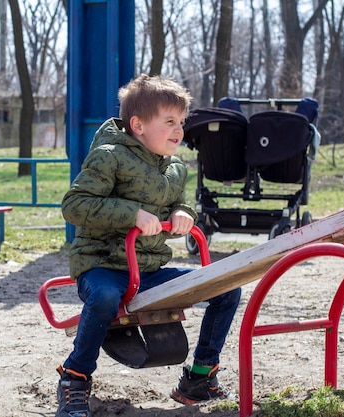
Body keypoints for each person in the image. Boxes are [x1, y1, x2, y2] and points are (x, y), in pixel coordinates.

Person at [55, 74, 241, 417]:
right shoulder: (108, 156)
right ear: (138, 125)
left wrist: (183, 214)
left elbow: (183, 205)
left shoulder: (175, 168)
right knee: (106, 297)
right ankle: (75, 378)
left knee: (226, 287)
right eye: (169, 121)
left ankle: (200, 377)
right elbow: (74, 205)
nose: (179, 130)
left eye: (182, 122)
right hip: (101, 265)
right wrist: (132, 214)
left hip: (149, 268)